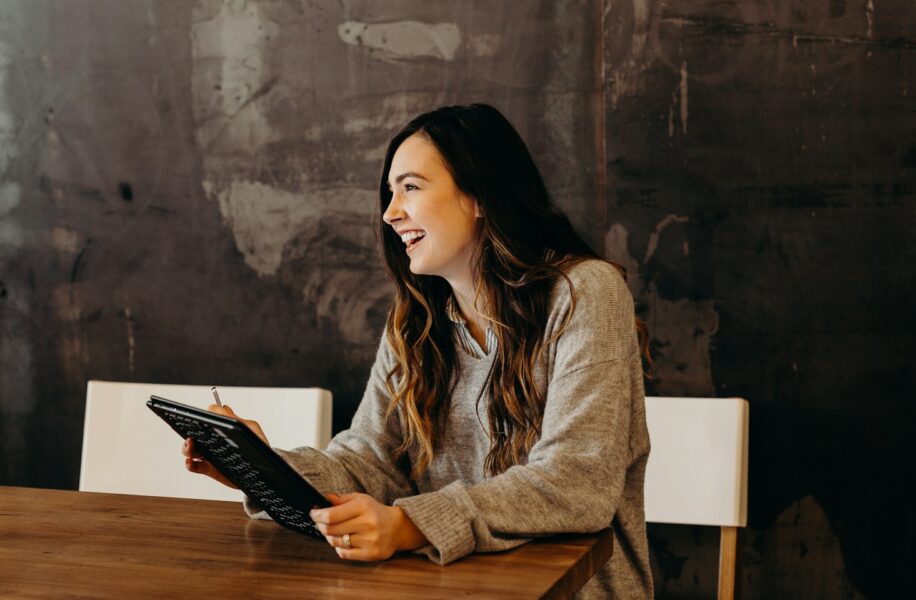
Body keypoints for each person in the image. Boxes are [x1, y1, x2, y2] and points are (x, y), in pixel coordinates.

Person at [182, 103, 653, 599]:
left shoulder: (585, 293)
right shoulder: (416, 322)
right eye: (390, 193)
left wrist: (410, 524)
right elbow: (370, 462)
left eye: (410, 187)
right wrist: (263, 470)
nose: (390, 213)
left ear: (479, 196)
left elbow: (577, 481)